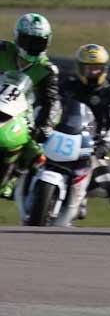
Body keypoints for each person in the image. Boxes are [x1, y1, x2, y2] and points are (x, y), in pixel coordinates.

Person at [61, 44, 110, 217]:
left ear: (104, 69)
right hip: (64, 140)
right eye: (87, 69)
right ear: (79, 68)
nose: (92, 73)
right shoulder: (68, 86)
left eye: (96, 69)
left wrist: (104, 145)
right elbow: (53, 109)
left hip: (94, 146)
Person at [0, 13, 59, 196]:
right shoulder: (2, 50)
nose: (33, 47)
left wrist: (46, 126)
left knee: (35, 146)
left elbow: (52, 101)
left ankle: (14, 176)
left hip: (22, 109)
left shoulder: (47, 70)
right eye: (28, 41)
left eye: (38, 42)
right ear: (18, 38)